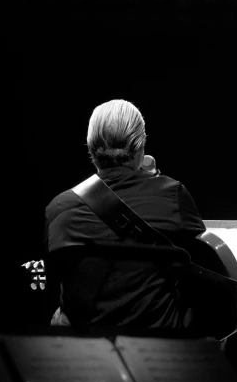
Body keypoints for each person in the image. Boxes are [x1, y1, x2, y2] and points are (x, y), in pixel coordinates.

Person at [44, 99, 208, 332]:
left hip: (86, 357)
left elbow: (53, 280)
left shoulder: (58, 209)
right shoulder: (173, 195)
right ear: (140, 148)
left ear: (91, 149)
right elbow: (203, 267)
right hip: (159, 356)